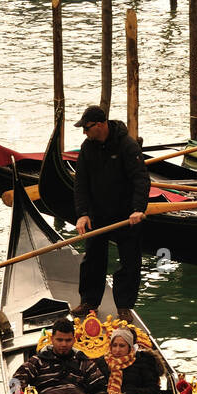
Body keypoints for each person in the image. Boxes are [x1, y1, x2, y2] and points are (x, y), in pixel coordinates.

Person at [72, 105, 151, 323]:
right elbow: (81, 184)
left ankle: (124, 306)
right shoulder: (87, 148)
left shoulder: (127, 145)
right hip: (98, 213)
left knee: (129, 262)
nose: (84, 133)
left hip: (127, 215)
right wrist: (82, 214)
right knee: (93, 259)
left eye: (86, 128)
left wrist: (138, 209)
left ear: (99, 125)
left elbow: (141, 179)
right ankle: (89, 301)